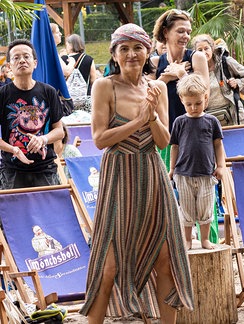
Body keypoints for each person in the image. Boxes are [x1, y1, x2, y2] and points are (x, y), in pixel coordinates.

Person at [79, 24, 194, 323]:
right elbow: (100, 139)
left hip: (151, 174)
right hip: (118, 175)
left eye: (137, 48)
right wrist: (138, 121)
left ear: (147, 52)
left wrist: (152, 115)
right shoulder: (104, 86)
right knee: (109, 266)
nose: (131, 54)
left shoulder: (156, 89)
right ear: (115, 54)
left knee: (166, 259)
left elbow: (163, 141)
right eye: (124, 49)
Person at [168, 73, 225, 250]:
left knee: (205, 209)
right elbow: (174, 147)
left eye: (198, 103)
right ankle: (187, 240)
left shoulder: (211, 121)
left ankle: (205, 239)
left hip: (206, 174)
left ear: (205, 98)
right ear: (182, 100)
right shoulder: (179, 122)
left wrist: (221, 166)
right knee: (186, 210)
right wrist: (172, 169)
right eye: (189, 104)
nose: (194, 108)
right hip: (183, 173)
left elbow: (218, 145)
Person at [0, 39, 65, 190]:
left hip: (45, 168)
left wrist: (43, 139)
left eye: (26, 56)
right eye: (16, 57)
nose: (22, 60)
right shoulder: (2, 94)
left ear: (35, 63)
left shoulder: (49, 91)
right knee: (12, 213)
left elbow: (59, 131)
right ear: (9, 66)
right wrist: (13, 149)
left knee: (49, 212)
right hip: (12, 170)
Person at [150, 8, 209, 170]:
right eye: (180, 31)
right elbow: (146, 98)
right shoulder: (155, 63)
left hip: (195, 134)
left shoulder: (196, 57)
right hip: (165, 137)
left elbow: (205, 97)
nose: (186, 36)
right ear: (166, 32)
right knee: (168, 188)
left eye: (188, 32)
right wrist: (166, 77)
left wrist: (182, 74)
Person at [192, 34, 244, 126]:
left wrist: (237, 82)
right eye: (200, 50)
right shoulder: (194, 70)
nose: (204, 52)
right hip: (209, 118)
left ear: (212, 48)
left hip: (233, 114)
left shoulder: (225, 62)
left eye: (206, 48)